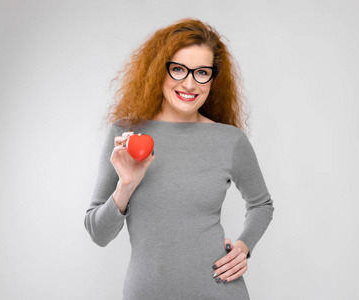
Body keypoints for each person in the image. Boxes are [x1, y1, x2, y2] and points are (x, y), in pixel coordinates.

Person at [84, 18, 275, 300]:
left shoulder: (230, 140)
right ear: (158, 70)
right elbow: (98, 234)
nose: (189, 83)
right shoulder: (125, 135)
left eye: (201, 72)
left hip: (218, 291)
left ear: (213, 78)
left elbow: (261, 204)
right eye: (178, 69)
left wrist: (243, 246)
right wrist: (126, 185)